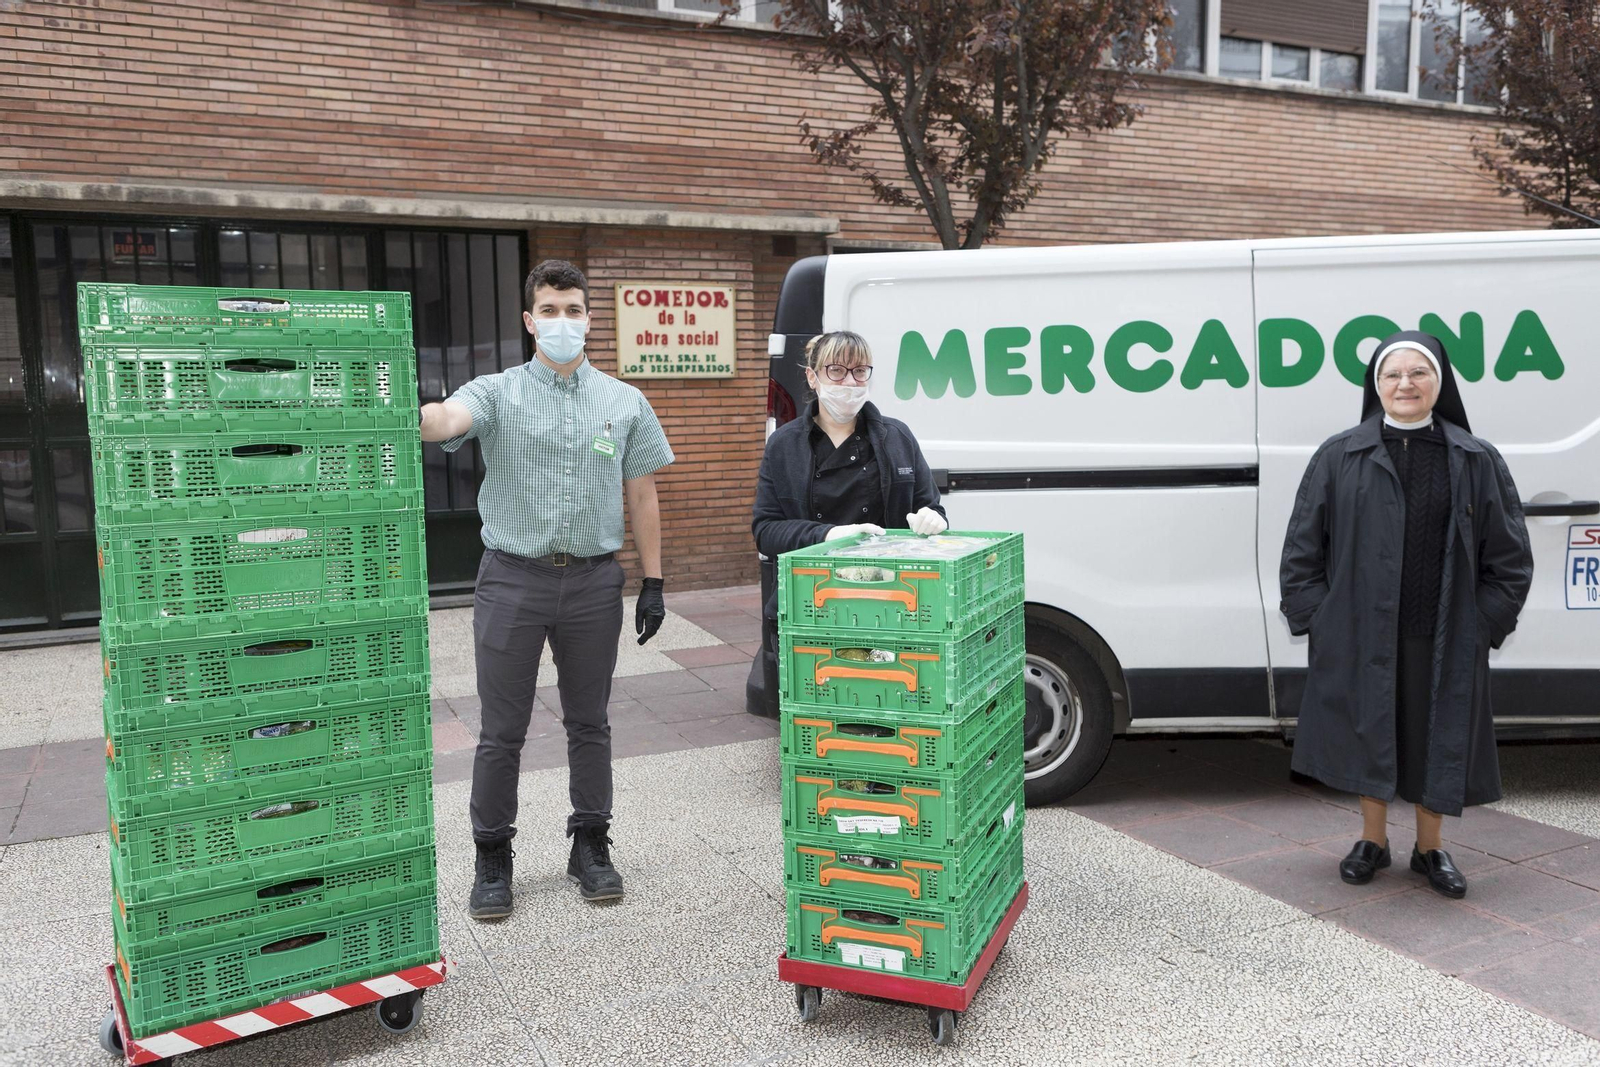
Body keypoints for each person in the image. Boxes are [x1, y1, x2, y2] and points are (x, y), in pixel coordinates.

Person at [420, 259, 675, 918]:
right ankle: (492, 854)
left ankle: (590, 843)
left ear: (589, 318)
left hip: (593, 582)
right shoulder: (497, 391)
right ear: (530, 321)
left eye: (574, 309)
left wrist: (654, 579)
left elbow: (643, 492)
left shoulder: (623, 401)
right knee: (501, 730)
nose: (564, 321)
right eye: (551, 310)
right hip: (512, 578)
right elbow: (450, 420)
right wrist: (421, 413)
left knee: (590, 723)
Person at [1280, 330, 1533, 899]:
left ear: (1438, 384)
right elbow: (1302, 548)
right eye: (1393, 374)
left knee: (1433, 737)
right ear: (1377, 385)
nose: (1405, 384)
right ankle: (1372, 841)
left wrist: (1485, 625)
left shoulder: (1473, 457)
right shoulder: (1340, 455)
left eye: (1418, 373)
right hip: (1361, 630)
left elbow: (1510, 556)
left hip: (1443, 631)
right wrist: (1320, 618)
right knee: (1370, 732)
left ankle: (1430, 848)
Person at [750, 331, 947, 712]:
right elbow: (766, 530)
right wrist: (830, 535)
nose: (849, 382)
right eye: (836, 371)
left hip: (890, 604)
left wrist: (932, 520)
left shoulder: (897, 437)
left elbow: (932, 509)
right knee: (825, 710)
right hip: (814, 605)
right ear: (813, 377)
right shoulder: (784, 445)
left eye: (859, 372)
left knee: (887, 706)